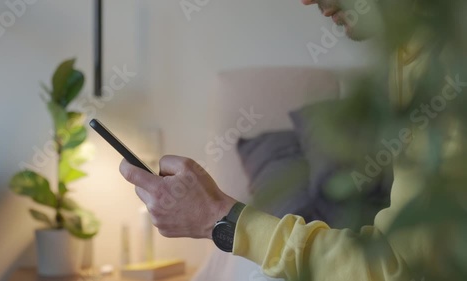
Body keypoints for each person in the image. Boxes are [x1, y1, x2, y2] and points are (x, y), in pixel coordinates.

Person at [120, 0, 466, 280]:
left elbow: (397, 269)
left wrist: (217, 218)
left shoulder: (447, 61)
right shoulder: (408, 55)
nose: (307, 1)